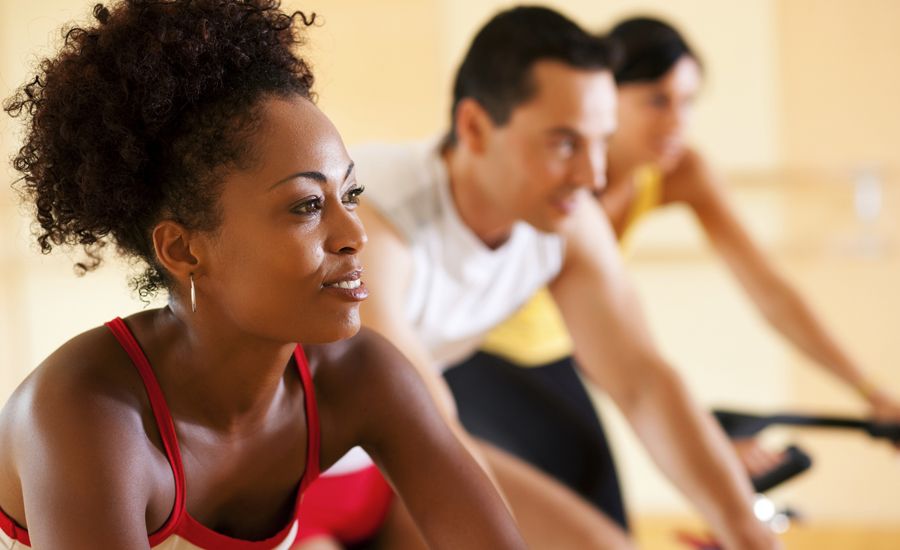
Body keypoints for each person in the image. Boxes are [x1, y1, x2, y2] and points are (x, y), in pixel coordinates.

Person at [0, 1, 525, 549]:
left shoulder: (360, 375)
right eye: (306, 206)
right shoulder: (83, 418)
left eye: (351, 194)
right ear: (183, 249)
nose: (356, 233)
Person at [309, 6, 779, 549]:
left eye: (602, 141)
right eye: (564, 143)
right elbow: (428, 429)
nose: (593, 174)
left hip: (383, 467)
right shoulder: (375, 214)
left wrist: (748, 532)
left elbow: (643, 382)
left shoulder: (567, 218)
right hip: (286, 480)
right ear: (475, 128)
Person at [459, 13, 900, 527]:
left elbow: (770, 291)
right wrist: (704, 441)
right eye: (657, 100)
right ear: (605, 98)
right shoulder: (555, 186)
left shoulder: (680, 172)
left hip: (553, 358)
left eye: (688, 102)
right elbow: (609, 347)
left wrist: (871, 392)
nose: (677, 122)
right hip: (478, 356)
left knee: (610, 522)